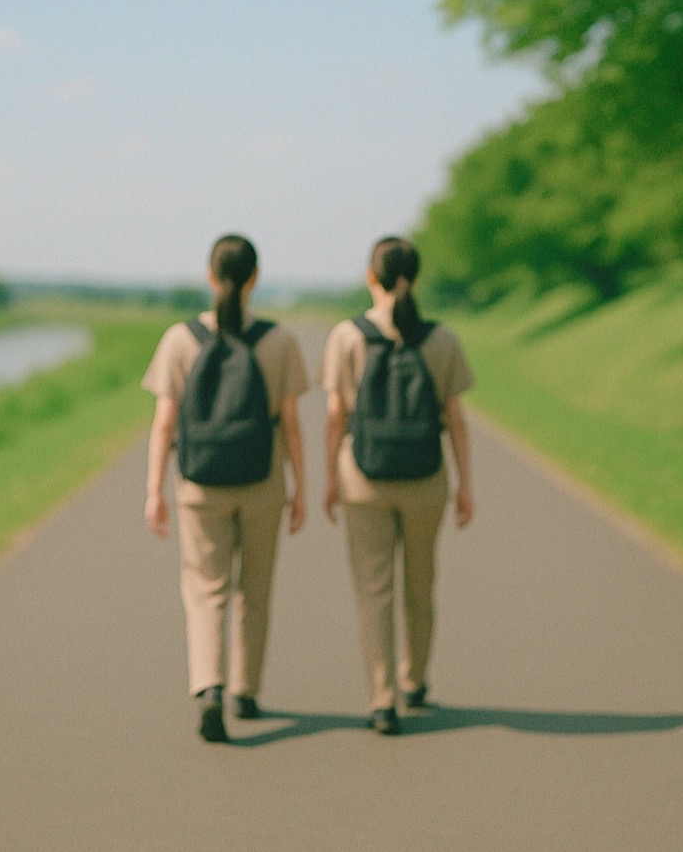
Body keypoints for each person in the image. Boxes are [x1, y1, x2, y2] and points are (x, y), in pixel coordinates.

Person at [142, 234, 309, 743]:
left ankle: (209, 687)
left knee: (205, 589)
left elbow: (164, 423)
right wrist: (301, 486)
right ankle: (247, 691)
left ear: (210, 276)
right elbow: (291, 424)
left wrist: (153, 490)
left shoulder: (180, 339)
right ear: (255, 278)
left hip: (199, 484)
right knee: (254, 591)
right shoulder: (279, 340)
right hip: (262, 482)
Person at [321, 236, 475, 735]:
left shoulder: (347, 336)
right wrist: (465, 484)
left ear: (372, 276)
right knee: (420, 581)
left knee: (374, 590)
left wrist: (329, 478)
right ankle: (416, 679)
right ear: (417, 276)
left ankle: (382, 698)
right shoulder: (441, 339)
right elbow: (455, 417)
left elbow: (334, 417)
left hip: (361, 477)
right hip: (426, 477)